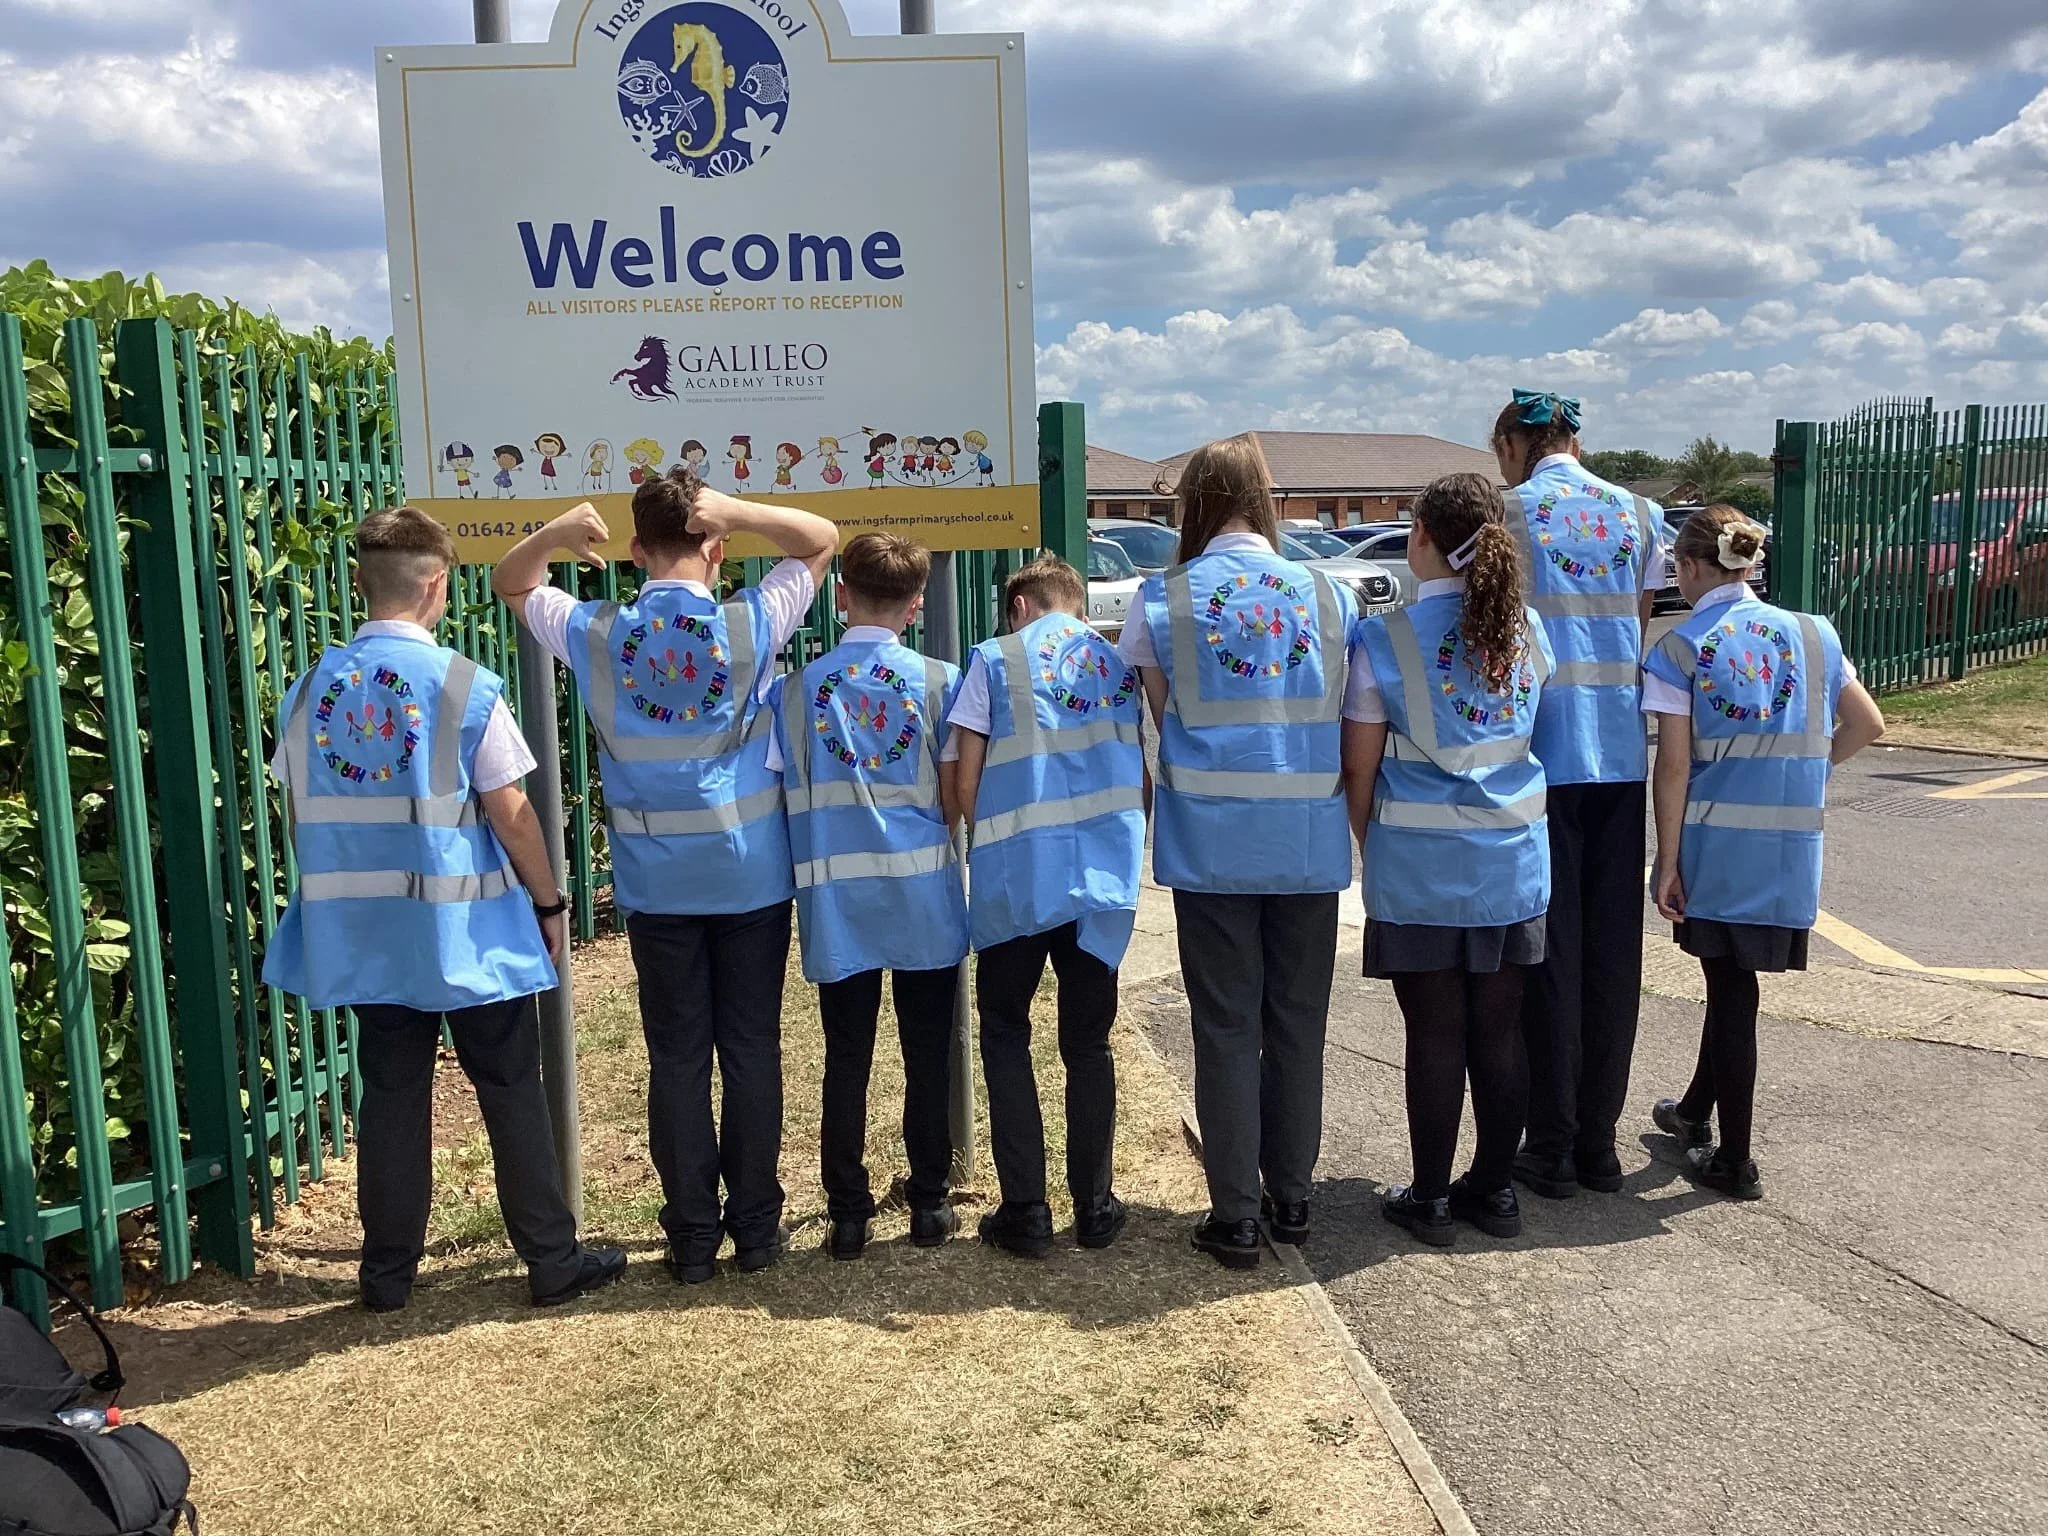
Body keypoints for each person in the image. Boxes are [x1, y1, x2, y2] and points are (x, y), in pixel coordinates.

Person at [264, 507, 625, 1312]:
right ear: (438, 584)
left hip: (365, 933)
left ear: (361, 582)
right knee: (508, 1085)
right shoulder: (462, 685)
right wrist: (550, 899)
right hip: (467, 932)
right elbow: (512, 811)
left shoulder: (308, 689)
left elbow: (300, 811)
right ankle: (549, 1259)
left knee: (389, 1096)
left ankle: (387, 1276)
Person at [491, 471, 838, 1284]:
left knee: (678, 1057)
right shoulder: (751, 621)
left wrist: (556, 533)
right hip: (750, 872)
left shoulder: (597, 630)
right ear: (718, 548)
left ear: (635, 549)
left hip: (655, 882)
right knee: (751, 1048)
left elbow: (512, 581)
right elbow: (821, 539)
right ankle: (755, 1229)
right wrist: (744, 512)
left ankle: (689, 1238)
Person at [1119, 435, 1358, 1269]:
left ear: (1192, 500)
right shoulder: (1328, 596)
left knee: (1224, 1024)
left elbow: (1160, 709)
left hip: (1212, 839)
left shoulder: (1162, 598)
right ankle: (1293, 1197)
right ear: (1265, 497)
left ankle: (1236, 1214)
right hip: (1306, 839)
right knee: (1298, 1021)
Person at [1642, 506, 1885, 1199]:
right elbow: (1867, 721)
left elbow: (1675, 768)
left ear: (1691, 567)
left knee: (1730, 988)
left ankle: (1735, 1159)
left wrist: (1666, 859)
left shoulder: (1682, 647)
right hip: (1790, 844)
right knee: (1732, 987)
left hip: (1718, 845)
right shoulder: (1814, 633)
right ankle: (1692, 1112)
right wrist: (1812, 769)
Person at [1342, 473, 1554, 1246]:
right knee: (1499, 1035)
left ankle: (1429, 1198)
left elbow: (1359, 768)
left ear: (1421, 537)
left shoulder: (1381, 638)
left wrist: (1374, 841)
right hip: (1514, 864)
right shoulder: (1529, 628)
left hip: (1419, 868)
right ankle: (1494, 1193)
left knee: (1433, 1034)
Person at [768, 533, 969, 1259]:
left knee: (845, 1055)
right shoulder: (943, 682)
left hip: (836, 897)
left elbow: (781, 784)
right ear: (917, 605)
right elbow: (956, 795)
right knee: (926, 1053)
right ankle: (930, 1200)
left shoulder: (795, 691)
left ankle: (847, 1211)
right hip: (922, 891)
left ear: (840, 594)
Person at [943, 554, 1147, 1258]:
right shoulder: (1116, 664)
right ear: (1077, 605)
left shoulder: (995, 661)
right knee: (1087, 1042)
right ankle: (1096, 1205)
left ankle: (1025, 1210)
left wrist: (991, 840)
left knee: (1005, 1032)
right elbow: (1138, 776)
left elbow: (966, 780)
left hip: (1018, 878)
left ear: (1021, 605)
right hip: (1099, 883)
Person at [1491, 389, 1667, 1201]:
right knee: (1611, 955)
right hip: (1623, 753)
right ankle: (1599, 1142)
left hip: (1543, 753)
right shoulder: (1637, 511)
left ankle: (1549, 1141)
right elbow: (1637, 619)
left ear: (1515, 441)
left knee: (1549, 954)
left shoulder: (1510, 513)